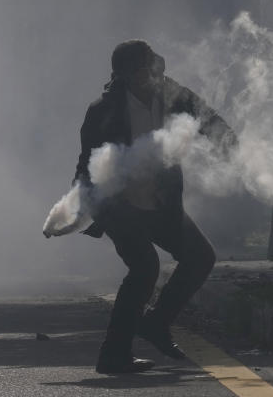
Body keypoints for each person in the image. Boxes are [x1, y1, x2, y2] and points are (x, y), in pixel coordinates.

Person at [74, 40, 235, 374]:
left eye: (154, 67)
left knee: (201, 257)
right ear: (126, 76)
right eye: (144, 70)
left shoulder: (173, 95)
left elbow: (208, 118)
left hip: (161, 204)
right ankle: (113, 355)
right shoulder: (104, 110)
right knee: (145, 267)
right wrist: (80, 207)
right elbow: (88, 164)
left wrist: (235, 145)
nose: (152, 76)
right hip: (121, 208)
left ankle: (156, 323)